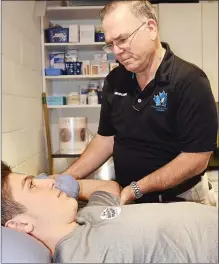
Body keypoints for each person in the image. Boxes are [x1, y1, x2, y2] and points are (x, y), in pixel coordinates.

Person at [55, 1, 218, 205]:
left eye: (122, 39)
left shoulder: (190, 81)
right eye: (110, 44)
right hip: (131, 197)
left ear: (151, 28)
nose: (117, 51)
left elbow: (196, 158)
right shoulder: (114, 80)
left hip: (182, 199)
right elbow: (106, 139)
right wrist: (64, 178)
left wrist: (136, 189)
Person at [1, 160, 218, 263]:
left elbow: (108, 188)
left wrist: (63, 181)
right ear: (20, 224)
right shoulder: (82, 257)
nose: (48, 183)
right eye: (31, 185)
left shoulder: (87, 217)